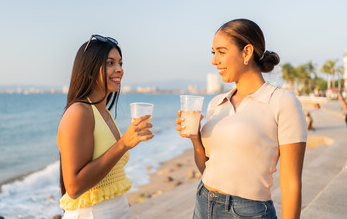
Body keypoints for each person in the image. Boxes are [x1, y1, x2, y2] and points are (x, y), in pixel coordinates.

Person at [176, 19, 307, 219]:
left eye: (221, 52)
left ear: (246, 52)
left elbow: (291, 182)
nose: (214, 60)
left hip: (247, 212)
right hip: (203, 203)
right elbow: (207, 167)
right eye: (213, 53)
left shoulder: (282, 101)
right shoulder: (216, 103)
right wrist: (194, 138)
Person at [57, 35, 154, 219]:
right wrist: (124, 143)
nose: (119, 70)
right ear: (90, 70)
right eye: (110, 63)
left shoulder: (103, 111)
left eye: (120, 63)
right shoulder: (79, 112)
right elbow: (74, 186)